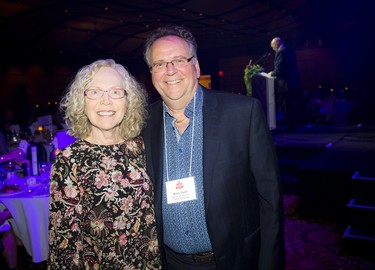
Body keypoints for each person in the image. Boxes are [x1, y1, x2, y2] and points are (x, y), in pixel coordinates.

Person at [142, 25, 285, 270]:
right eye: (159, 63)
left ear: (196, 66)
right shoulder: (142, 124)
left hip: (233, 260)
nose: (170, 71)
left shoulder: (242, 113)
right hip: (169, 263)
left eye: (178, 60)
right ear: (152, 72)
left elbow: (270, 198)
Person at [47, 59, 161, 269]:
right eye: (95, 92)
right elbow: (64, 247)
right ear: (82, 100)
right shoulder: (69, 161)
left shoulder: (141, 147)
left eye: (116, 92)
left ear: (128, 100)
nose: (106, 101)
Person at [268, 37, 302, 132]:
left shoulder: (280, 52)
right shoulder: (290, 50)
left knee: (286, 106)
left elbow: (279, 70)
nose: (274, 50)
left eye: (273, 48)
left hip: (285, 84)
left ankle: (290, 128)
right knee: (292, 106)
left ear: (276, 45)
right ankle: (293, 126)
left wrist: (271, 73)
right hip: (293, 83)